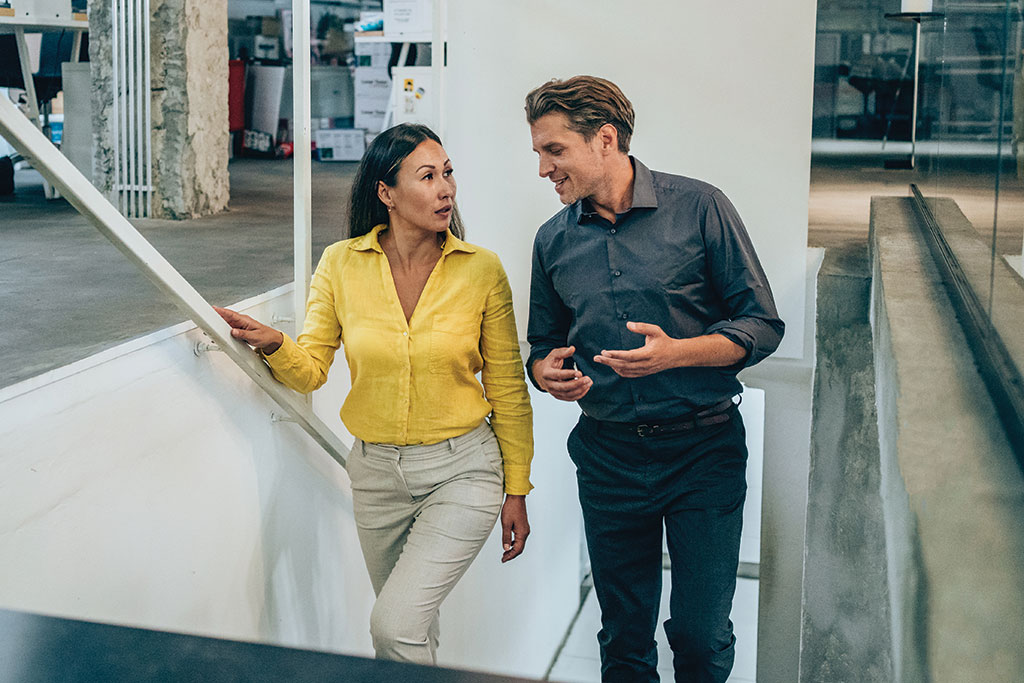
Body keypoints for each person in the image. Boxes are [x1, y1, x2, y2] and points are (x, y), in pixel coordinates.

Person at [214, 123, 533, 665]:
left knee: (393, 626)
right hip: (376, 477)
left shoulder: (481, 270)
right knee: (413, 630)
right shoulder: (341, 263)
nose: (446, 189)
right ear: (386, 193)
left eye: (448, 173)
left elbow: (506, 385)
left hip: (464, 471)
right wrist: (273, 344)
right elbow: (313, 368)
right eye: (427, 176)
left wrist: (517, 488)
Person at [524, 76, 784, 683]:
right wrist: (544, 372)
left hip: (704, 452)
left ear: (605, 139)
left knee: (700, 634)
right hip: (607, 455)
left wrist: (680, 353)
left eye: (553, 150)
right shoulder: (552, 240)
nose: (542, 169)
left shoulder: (701, 207)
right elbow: (542, 345)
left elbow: (762, 325)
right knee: (623, 637)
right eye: (538, 153)